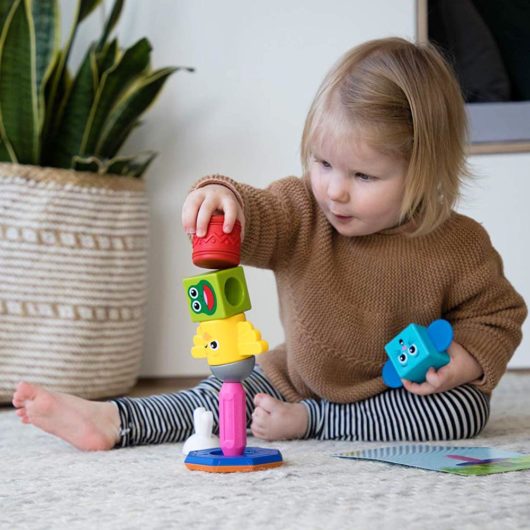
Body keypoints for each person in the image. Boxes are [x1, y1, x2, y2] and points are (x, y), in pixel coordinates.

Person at [12, 37, 527, 450]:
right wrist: (221, 195)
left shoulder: (459, 244)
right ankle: (112, 420)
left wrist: (464, 360)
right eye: (323, 164)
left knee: (462, 410)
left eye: (364, 176)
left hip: (398, 392)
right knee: (220, 395)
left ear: (425, 171)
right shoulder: (304, 209)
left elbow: (497, 314)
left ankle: (316, 423)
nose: (335, 189)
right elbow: (259, 212)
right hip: (292, 379)